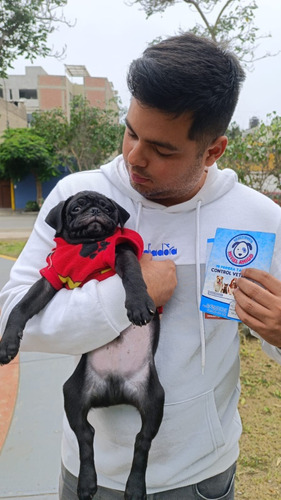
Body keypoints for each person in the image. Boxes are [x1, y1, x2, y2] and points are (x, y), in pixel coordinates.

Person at [1, 33, 281, 500]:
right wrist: (127, 295)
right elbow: (15, 321)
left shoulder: (259, 218)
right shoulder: (78, 197)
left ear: (213, 151)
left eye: (162, 149)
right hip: (90, 473)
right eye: (130, 132)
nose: (134, 157)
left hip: (200, 475)